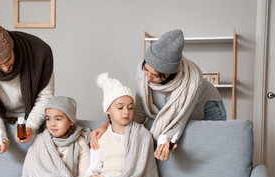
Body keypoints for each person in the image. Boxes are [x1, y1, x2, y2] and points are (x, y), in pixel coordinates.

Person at [91, 29, 226, 161]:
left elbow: (178, 121)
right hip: (169, 112)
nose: (148, 77)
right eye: (146, 70)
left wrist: (168, 140)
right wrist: (107, 126)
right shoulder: (142, 70)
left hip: (206, 110)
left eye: (155, 75)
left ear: (171, 75)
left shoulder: (192, 81)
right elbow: (139, 113)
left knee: (202, 153)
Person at [73, 73, 162, 177]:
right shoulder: (100, 136)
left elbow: (142, 171)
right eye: (120, 108)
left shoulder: (141, 135)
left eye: (131, 107)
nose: (126, 112)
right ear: (108, 110)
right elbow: (94, 166)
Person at [0, 15, 54, 154]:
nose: (6, 68)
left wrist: (30, 126)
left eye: (8, 60)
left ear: (12, 47)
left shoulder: (39, 52)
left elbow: (45, 97)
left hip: (35, 117)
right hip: (0, 118)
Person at [0, 96, 90, 177]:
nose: (52, 124)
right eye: (48, 119)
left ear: (70, 121)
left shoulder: (80, 143)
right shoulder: (41, 140)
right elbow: (31, 169)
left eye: (58, 119)